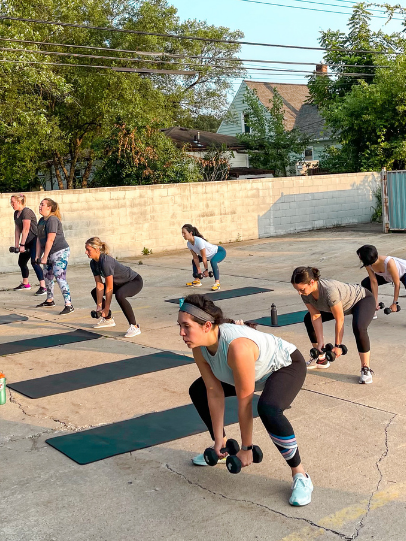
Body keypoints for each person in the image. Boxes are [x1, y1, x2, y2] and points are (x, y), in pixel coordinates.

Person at [178, 293, 313, 507]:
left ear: (206, 326)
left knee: (268, 408)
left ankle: (301, 475)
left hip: (285, 367)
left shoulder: (237, 348)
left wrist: (247, 447)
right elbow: (213, 392)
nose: (181, 333)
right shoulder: (198, 347)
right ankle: (220, 447)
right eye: (180, 326)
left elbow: (245, 401)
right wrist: (218, 441)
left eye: (186, 326)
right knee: (199, 390)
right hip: (249, 373)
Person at [291, 267, 376, 384]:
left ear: (311, 282)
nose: (299, 292)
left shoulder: (329, 291)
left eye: (301, 289)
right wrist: (320, 342)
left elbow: (339, 318)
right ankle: (321, 358)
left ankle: (365, 368)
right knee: (308, 319)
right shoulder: (305, 293)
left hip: (361, 300)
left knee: (359, 327)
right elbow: (315, 316)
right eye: (297, 289)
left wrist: (338, 345)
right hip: (340, 306)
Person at [85, 237, 143, 338]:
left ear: (97, 250)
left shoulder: (105, 261)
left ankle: (135, 327)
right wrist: (99, 307)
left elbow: (109, 288)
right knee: (94, 292)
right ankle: (108, 319)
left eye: (88, 250)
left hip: (134, 281)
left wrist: (106, 308)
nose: (86, 252)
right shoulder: (93, 263)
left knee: (120, 295)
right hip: (119, 283)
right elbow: (99, 285)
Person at [35, 198, 74, 315]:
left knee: (59, 276)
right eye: (40, 204)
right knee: (47, 277)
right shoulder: (41, 220)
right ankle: (50, 300)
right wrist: (38, 256)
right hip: (50, 253)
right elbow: (39, 240)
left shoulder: (52, 220)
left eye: (43, 204)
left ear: (49, 208)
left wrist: (45, 257)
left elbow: (50, 239)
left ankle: (69, 304)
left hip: (60, 251)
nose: (40, 206)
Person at [10, 194, 46, 295]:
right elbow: (17, 230)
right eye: (11, 202)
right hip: (26, 241)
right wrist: (17, 245)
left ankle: (43, 287)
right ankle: (26, 284)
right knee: (21, 262)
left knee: (34, 262)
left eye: (13, 202)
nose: (11, 204)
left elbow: (26, 229)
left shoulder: (26, 212)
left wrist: (22, 245)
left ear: (19, 202)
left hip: (35, 239)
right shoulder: (16, 213)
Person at [357, 244, 406, 317]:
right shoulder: (368, 264)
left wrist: (394, 303)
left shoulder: (389, 263)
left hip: (404, 272)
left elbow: (397, 283)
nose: (359, 258)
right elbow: (373, 281)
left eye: (360, 256)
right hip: (387, 275)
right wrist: (375, 302)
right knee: (366, 283)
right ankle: (372, 309)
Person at [181, 224, 226, 291]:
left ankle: (217, 283)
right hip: (207, 256)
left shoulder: (199, 241)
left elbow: (204, 257)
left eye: (184, 233)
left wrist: (206, 270)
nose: (183, 235)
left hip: (219, 252)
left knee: (213, 261)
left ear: (190, 233)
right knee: (194, 261)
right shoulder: (189, 243)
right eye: (182, 233)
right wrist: (199, 271)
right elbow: (195, 257)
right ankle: (197, 280)